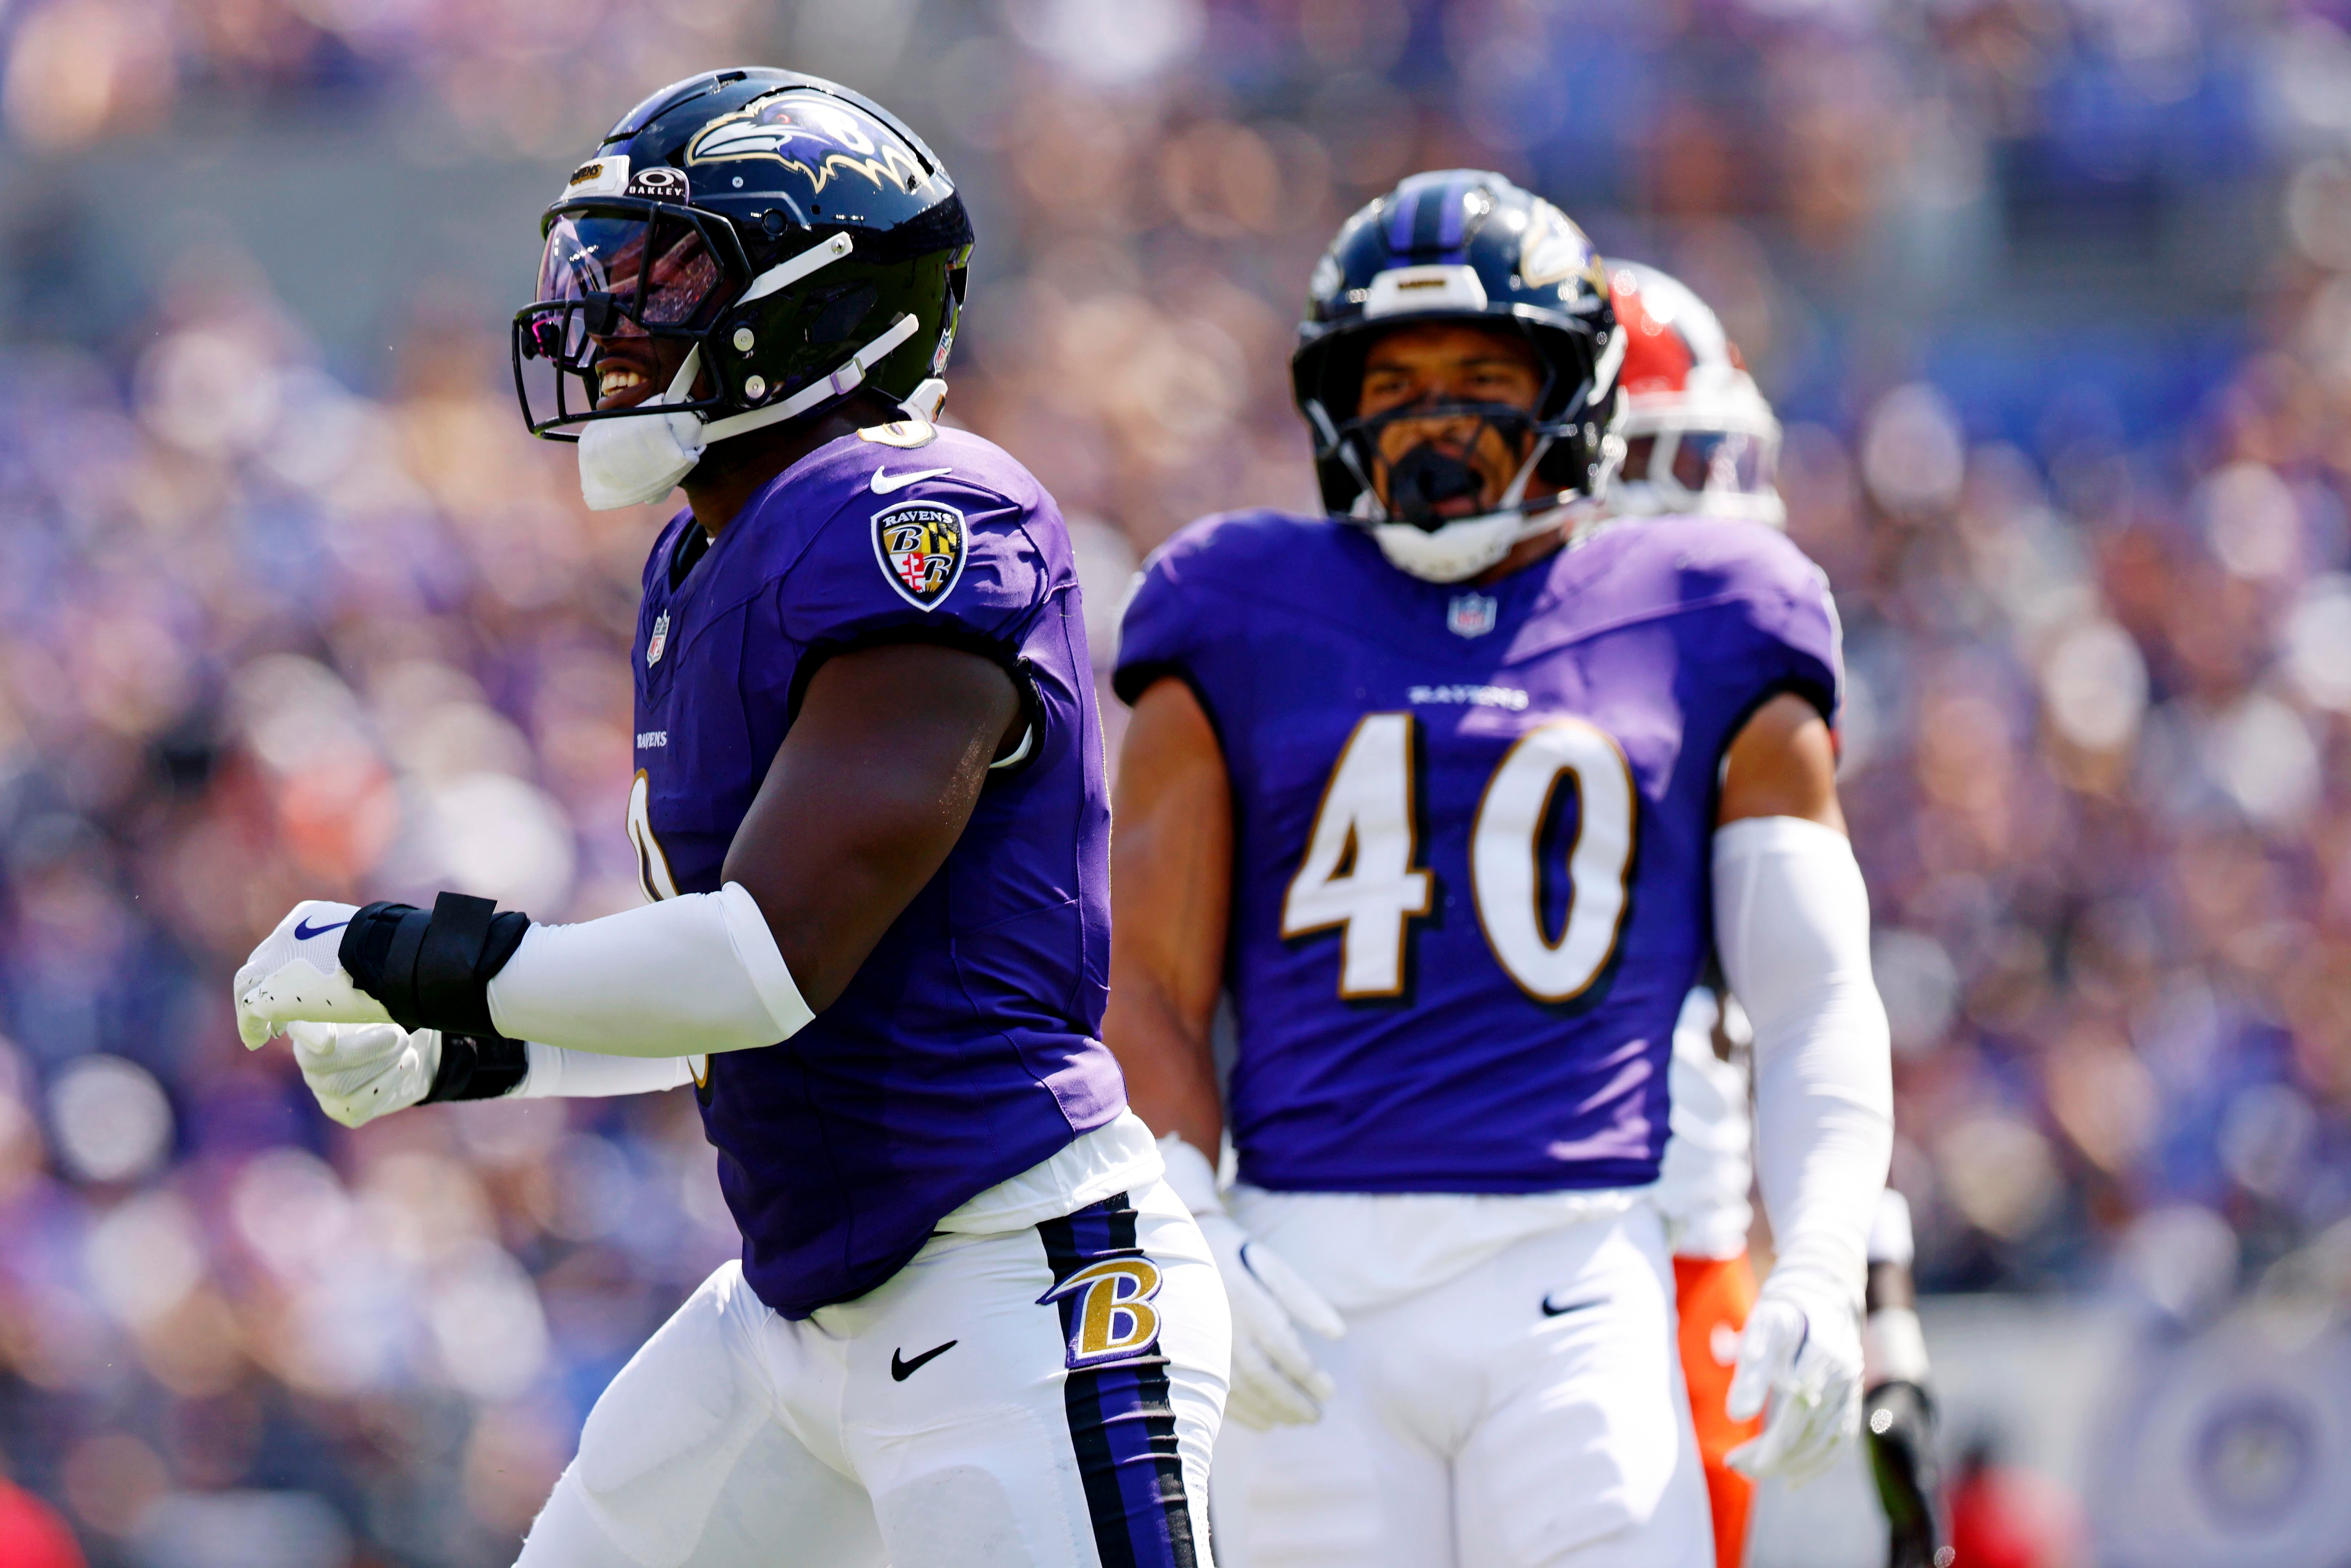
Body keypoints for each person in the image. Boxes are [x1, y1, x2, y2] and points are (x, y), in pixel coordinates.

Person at [232, 67, 1225, 1568]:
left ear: (821, 305)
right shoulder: (708, 557)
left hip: (1012, 1281)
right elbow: (725, 1005)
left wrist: (423, 958)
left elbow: (763, 963)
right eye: (611, 272)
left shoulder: (921, 516)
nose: (610, 317)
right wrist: (478, 1052)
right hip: (798, 1303)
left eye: (665, 272)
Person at [1104, 169, 1894, 1568]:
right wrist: (1186, 1223)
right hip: (1302, 1276)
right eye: (1392, 376)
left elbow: (1819, 993)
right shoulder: (1231, 608)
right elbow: (1145, 985)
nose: (1434, 414)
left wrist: (1826, 1257)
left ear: (1575, 387)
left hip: (1580, 1270)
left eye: (1481, 370)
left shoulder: (1711, 613)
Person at [1612, 259, 1946, 1568]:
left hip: (1681, 1255)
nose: (1712, 515)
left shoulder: (1736, 695)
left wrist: (1878, 1301)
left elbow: (1809, 1011)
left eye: (1711, 468)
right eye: (1666, 465)